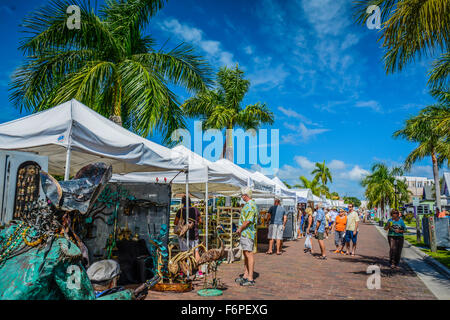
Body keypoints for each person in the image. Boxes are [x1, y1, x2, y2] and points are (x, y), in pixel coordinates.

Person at [174, 196, 203, 275]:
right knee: (196, 253)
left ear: (182, 203)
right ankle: (199, 271)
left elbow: (175, 222)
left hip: (183, 236)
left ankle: (183, 271)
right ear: (190, 202)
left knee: (183, 253)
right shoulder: (195, 210)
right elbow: (200, 221)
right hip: (194, 234)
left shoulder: (180, 211)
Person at [235, 187, 258, 286]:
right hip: (245, 233)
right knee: (245, 254)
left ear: (246, 195)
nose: (242, 196)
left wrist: (240, 228)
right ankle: (246, 275)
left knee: (249, 254)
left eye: (242, 195)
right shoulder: (249, 205)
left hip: (248, 233)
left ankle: (250, 278)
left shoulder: (251, 205)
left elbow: (248, 221)